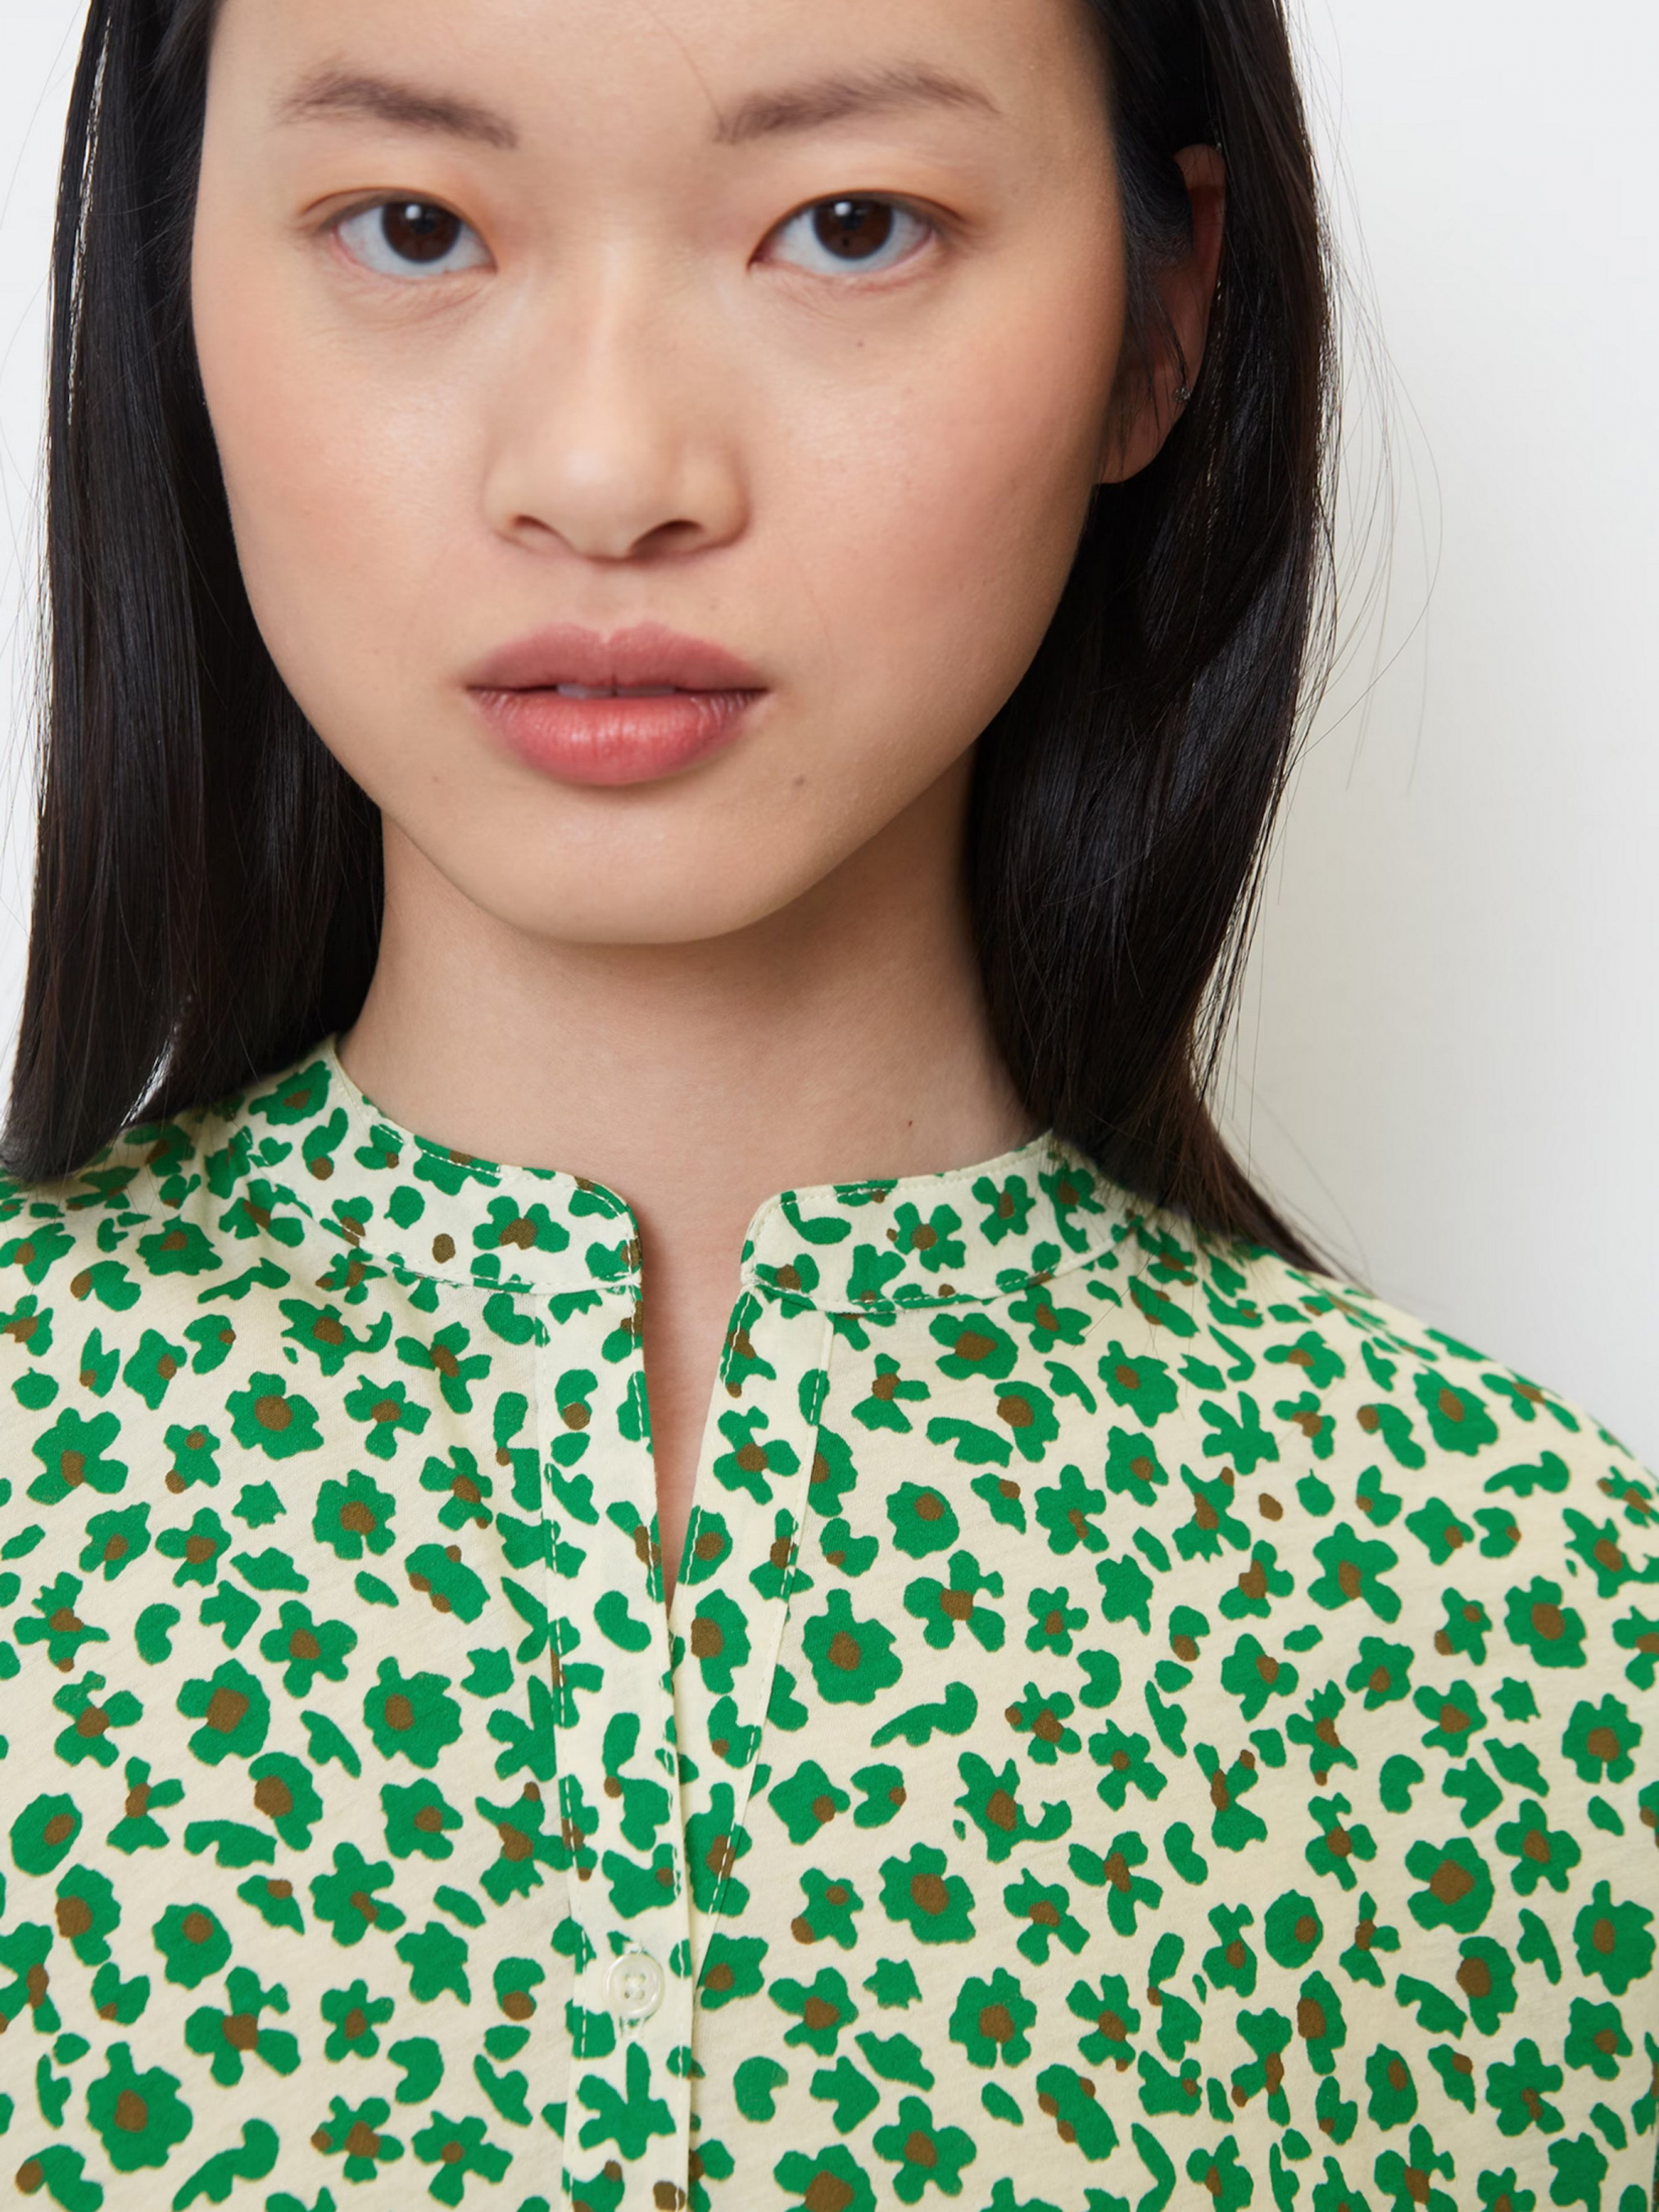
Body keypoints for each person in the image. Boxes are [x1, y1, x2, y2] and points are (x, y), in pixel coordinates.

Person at [0, 0, 1652, 2205]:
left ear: (1163, 318)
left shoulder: (1525, 1625)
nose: (608, 472)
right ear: (171, 271)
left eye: (850, 224)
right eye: (410, 225)